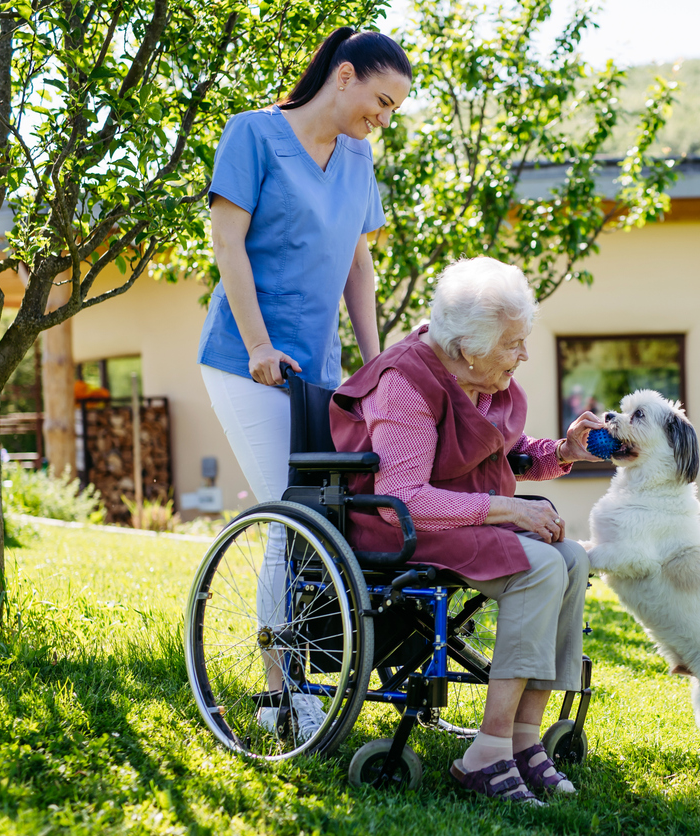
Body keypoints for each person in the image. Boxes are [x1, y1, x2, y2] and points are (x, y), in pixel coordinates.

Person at [331, 257, 606, 804]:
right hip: (401, 529)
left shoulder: (483, 377)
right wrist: (509, 512)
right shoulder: (406, 380)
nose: (524, 355)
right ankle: (486, 751)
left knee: (571, 558)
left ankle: (525, 741)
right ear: (466, 347)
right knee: (540, 567)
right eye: (513, 344)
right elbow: (402, 500)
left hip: (458, 517)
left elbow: (510, 455)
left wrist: (565, 451)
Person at [198, 28, 411, 725]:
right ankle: (278, 696)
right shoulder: (253, 135)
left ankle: (306, 680)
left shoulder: (358, 160)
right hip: (245, 360)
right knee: (289, 517)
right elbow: (227, 242)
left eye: (392, 110)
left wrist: (376, 364)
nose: (381, 118)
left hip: (315, 370)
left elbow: (359, 267)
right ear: (344, 76)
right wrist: (259, 345)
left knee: (321, 518)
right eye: (379, 101)